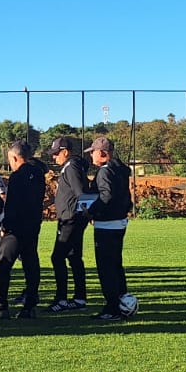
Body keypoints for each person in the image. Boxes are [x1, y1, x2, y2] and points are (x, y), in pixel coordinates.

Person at [86, 136, 138, 321]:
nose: (91, 155)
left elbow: (106, 196)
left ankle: (112, 308)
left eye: (93, 152)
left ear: (102, 153)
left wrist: (91, 212)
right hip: (119, 222)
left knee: (106, 268)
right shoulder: (120, 170)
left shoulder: (105, 171)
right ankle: (123, 300)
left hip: (106, 225)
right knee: (116, 265)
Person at [0, 140, 46, 319]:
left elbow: (12, 205)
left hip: (16, 228)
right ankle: (30, 305)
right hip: (33, 226)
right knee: (30, 263)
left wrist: (5, 226)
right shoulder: (39, 173)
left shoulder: (17, 176)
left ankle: (1, 307)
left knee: (2, 264)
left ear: (15, 158)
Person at [48, 136, 93, 312]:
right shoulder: (71, 166)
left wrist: (87, 214)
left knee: (57, 257)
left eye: (56, 153)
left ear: (65, 152)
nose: (54, 157)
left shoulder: (71, 166)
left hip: (71, 220)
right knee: (74, 257)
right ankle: (80, 298)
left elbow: (81, 192)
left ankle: (61, 299)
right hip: (72, 218)